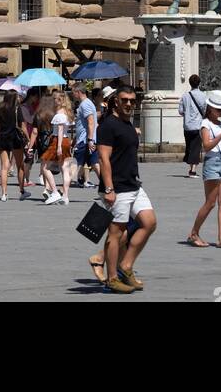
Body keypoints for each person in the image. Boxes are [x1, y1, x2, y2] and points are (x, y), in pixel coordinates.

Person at [94, 85, 156, 293]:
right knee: (116, 234)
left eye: (132, 100)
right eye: (124, 100)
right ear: (116, 101)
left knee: (149, 222)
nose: (129, 103)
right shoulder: (108, 125)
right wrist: (109, 188)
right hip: (118, 187)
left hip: (133, 184)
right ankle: (112, 278)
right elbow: (104, 158)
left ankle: (126, 266)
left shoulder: (128, 123)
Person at [186, 91, 221, 248]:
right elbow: (206, 146)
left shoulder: (220, 124)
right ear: (210, 108)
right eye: (218, 110)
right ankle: (194, 233)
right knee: (210, 203)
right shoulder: (205, 124)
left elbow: (217, 146)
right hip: (212, 163)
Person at [0, 88, 27, 201]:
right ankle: (22, 190)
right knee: (20, 165)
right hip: (15, 138)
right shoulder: (18, 109)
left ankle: (4, 194)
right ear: (14, 98)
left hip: (3, 138)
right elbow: (22, 126)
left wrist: (2, 133)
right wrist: (27, 138)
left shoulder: (0, 109)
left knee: (4, 167)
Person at [178, 74, 208, 177]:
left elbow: (180, 111)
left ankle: (191, 168)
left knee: (190, 147)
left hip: (187, 125)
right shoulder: (203, 95)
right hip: (197, 125)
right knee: (196, 148)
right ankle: (193, 170)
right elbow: (205, 110)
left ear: (190, 83)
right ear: (199, 83)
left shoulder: (185, 95)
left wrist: (187, 115)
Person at [49, 92, 76, 204]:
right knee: (65, 169)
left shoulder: (60, 113)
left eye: (55, 99)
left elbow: (60, 130)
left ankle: (55, 192)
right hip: (66, 140)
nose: (53, 101)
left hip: (59, 140)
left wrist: (59, 146)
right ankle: (65, 195)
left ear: (59, 100)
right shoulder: (67, 112)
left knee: (47, 167)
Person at [35, 96, 61, 204]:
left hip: (41, 142)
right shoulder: (54, 114)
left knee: (44, 165)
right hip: (51, 141)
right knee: (48, 166)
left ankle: (48, 188)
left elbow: (35, 132)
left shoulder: (38, 115)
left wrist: (31, 144)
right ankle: (47, 187)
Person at [71, 82, 98, 187]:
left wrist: (90, 140)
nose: (73, 95)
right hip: (84, 140)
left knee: (75, 165)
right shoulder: (85, 103)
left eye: (73, 92)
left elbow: (91, 122)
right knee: (95, 164)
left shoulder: (85, 104)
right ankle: (107, 187)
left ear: (78, 92)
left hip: (85, 141)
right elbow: (83, 125)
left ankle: (61, 191)